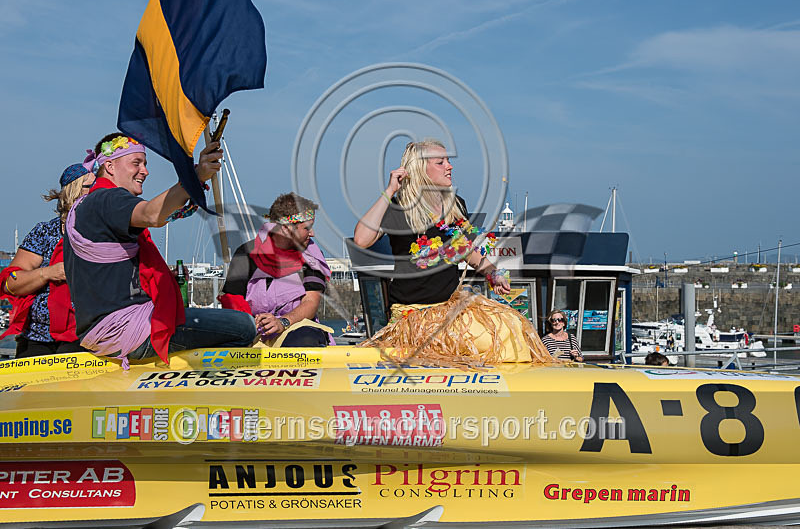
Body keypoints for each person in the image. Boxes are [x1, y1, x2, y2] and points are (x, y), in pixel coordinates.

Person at [353, 139, 553, 365]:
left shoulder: (456, 205)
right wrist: (390, 190)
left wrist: (492, 273)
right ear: (421, 169)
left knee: (511, 327)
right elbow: (361, 239)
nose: (450, 166)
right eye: (440, 162)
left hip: (450, 309)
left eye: (448, 161)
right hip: (416, 315)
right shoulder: (399, 208)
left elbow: (465, 250)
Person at [62, 132, 256, 366]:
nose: (145, 171)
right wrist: (195, 177)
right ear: (110, 166)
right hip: (129, 332)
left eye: (144, 163)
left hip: (98, 333)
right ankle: (199, 392)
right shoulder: (109, 199)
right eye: (136, 163)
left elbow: (158, 216)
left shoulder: (85, 205)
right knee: (244, 326)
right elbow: (152, 214)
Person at [0, 164, 95, 358]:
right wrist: (48, 273)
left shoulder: (106, 233)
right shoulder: (44, 232)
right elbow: (10, 283)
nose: (97, 191)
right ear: (72, 190)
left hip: (88, 337)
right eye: (90, 186)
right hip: (38, 338)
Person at [220, 193, 334, 347]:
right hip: (253, 332)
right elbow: (233, 299)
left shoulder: (312, 256)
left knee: (305, 340)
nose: (312, 233)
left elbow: (310, 302)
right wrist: (250, 324)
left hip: (297, 329)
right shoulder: (246, 253)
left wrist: (283, 322)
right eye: (307, 228)